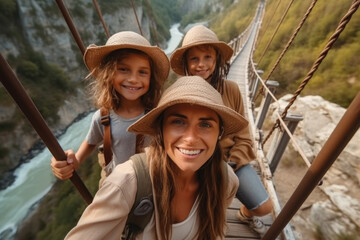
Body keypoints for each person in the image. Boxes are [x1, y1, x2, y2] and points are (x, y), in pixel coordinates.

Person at [64, 76, 247, 240]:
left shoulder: (226, 180)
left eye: (206, 124)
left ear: (219, 134)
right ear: (160, 131)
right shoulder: (128, 182)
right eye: (178, 122)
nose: (191, 138)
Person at [170, 25, 272, 236]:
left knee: (264, 208)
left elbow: (243, 134)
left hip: (230, 162)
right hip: (193, 162)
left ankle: (244, 214)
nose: (201, 65)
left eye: (207, 57)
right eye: (194, 59)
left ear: (216, 59)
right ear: (187, 63)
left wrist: (232, 163)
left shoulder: (232, 90)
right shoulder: (180, 94)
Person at [51, 31, 170, 186]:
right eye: (123, 69)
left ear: (151, 78)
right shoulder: (103, 118)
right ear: (108, 73)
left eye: (142, 72)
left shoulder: (158, 113)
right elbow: (90, 143)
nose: (133, 79)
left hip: (152, 185)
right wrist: (73, 161)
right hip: (119, 186)